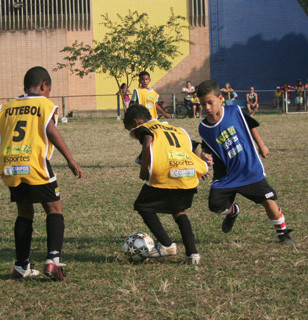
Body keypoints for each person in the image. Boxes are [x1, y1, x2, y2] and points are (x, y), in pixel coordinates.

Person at [0, 66, 84, 281]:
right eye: (49, 89)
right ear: (43, 86)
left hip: (11, 165)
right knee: (55, 209)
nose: (49, 94)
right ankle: (53, 262)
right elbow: (50, 130)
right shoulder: (43, 104)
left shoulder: (7, 106)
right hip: (35, 164)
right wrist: (70, 160)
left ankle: (21, 267)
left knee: (24, 213)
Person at [196, 80, 294, 244]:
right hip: (226, 175)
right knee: (215, 205)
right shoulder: (204, 127)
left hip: (249, 169)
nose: (207, 108)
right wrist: (204, 157)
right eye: (203, 104)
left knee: (269, 201)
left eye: (210, 102)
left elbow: (251, 126)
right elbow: (207, 146)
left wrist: (261, 145)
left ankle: (282, 233)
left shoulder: (235, 111)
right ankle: (233, 211)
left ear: (220, 98)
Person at [123, 104, 208, 264]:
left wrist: (144, 169)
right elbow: (194, 145)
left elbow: (147, 141)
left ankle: (167, 245)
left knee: (142, 206)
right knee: (179, 211)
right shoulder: (172, 128)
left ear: (136, 121)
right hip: (186, 174)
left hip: (167, 173)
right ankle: (192, 254)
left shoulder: (145, 128)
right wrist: (199, 165)